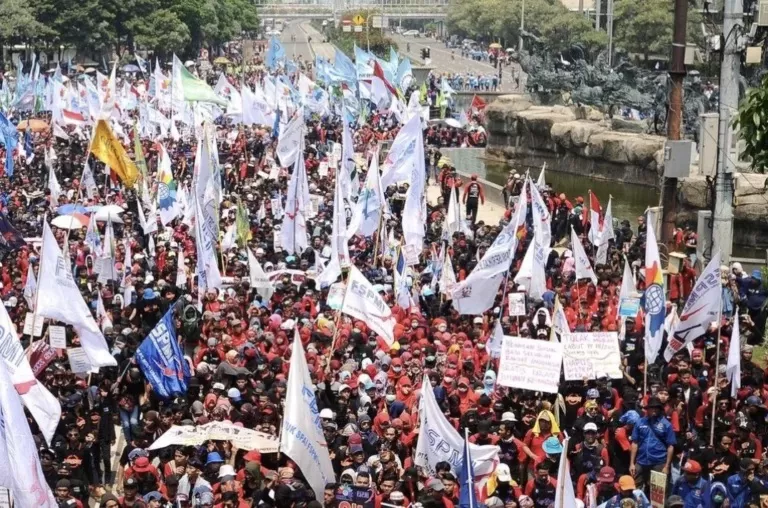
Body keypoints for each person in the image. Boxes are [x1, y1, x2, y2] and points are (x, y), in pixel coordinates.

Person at [630, 397, 676, 491]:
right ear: (648, 409)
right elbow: (635, 443)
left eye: (656, 407)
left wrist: (667, 466)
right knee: (634, 487)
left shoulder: (666, 424)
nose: (654, 409)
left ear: (660, 409)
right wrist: (631, 463)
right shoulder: (640, 422)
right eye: (652, 407)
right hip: (641, 461)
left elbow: (670, 446)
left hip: (659, 462)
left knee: (658, 491)